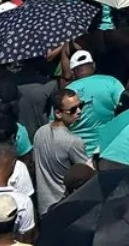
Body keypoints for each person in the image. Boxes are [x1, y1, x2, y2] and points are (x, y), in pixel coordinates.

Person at [28, 89, 88, 219]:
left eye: (80, 106)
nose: (79, 111)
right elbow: (85, 174)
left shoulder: (39, 132)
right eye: (72, 109)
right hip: (65, 206)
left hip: (43, 207)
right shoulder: (74, 141)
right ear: (58, 113)